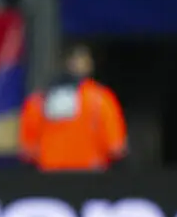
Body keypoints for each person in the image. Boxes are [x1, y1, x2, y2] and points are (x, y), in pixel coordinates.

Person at [19, 43, 127, 172]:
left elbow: (28, 151)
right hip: (90, 178)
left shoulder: (38, 100)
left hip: (50, 176)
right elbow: (116, 148)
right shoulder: (101, 99)